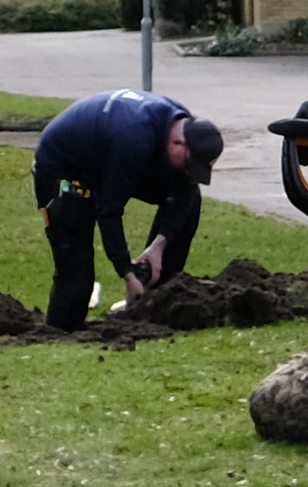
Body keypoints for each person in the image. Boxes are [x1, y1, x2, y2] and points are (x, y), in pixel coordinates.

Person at [32, 88, 227, 329]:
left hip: (107, 157)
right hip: (63, 168)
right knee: (76, 264)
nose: (190, 172)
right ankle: (62, 329)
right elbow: (109, 210)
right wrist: (126, 272)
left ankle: (156, 299)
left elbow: (185, 187)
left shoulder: (182, 123)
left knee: (188, 197)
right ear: (178, 142)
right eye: (189, 164)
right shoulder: (134, 139)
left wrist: (159, 246)